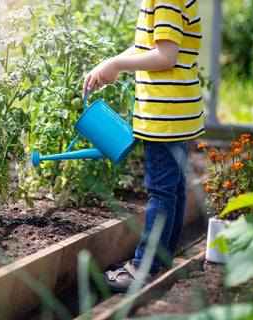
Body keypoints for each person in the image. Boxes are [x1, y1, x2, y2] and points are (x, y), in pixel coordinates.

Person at [83, 0, 203, 292]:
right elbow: (151, 47)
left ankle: (143, 268)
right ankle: (162, 256)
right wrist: (110, 64)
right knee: (173, 188)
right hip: (177, 112)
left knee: (162, 190)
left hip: (164, 115)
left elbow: (166, 56)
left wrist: (118, 64)